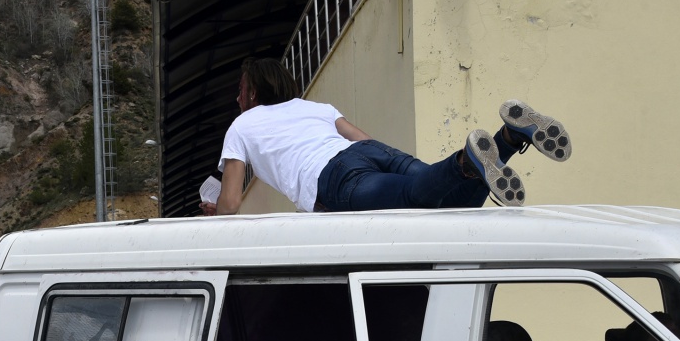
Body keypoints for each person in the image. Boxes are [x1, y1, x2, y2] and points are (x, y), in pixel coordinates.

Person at [202, 58, 572, 216]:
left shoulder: (242, 125)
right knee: (451, 205)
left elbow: (232, 203)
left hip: (333, 178)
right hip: (368, 153)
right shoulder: (314, 107)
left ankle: (467, 158)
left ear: (252, 94)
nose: (237, 98)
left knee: (418, 200)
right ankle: (508, 138)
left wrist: (214, 211)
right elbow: (363, 138)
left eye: (239, 90)